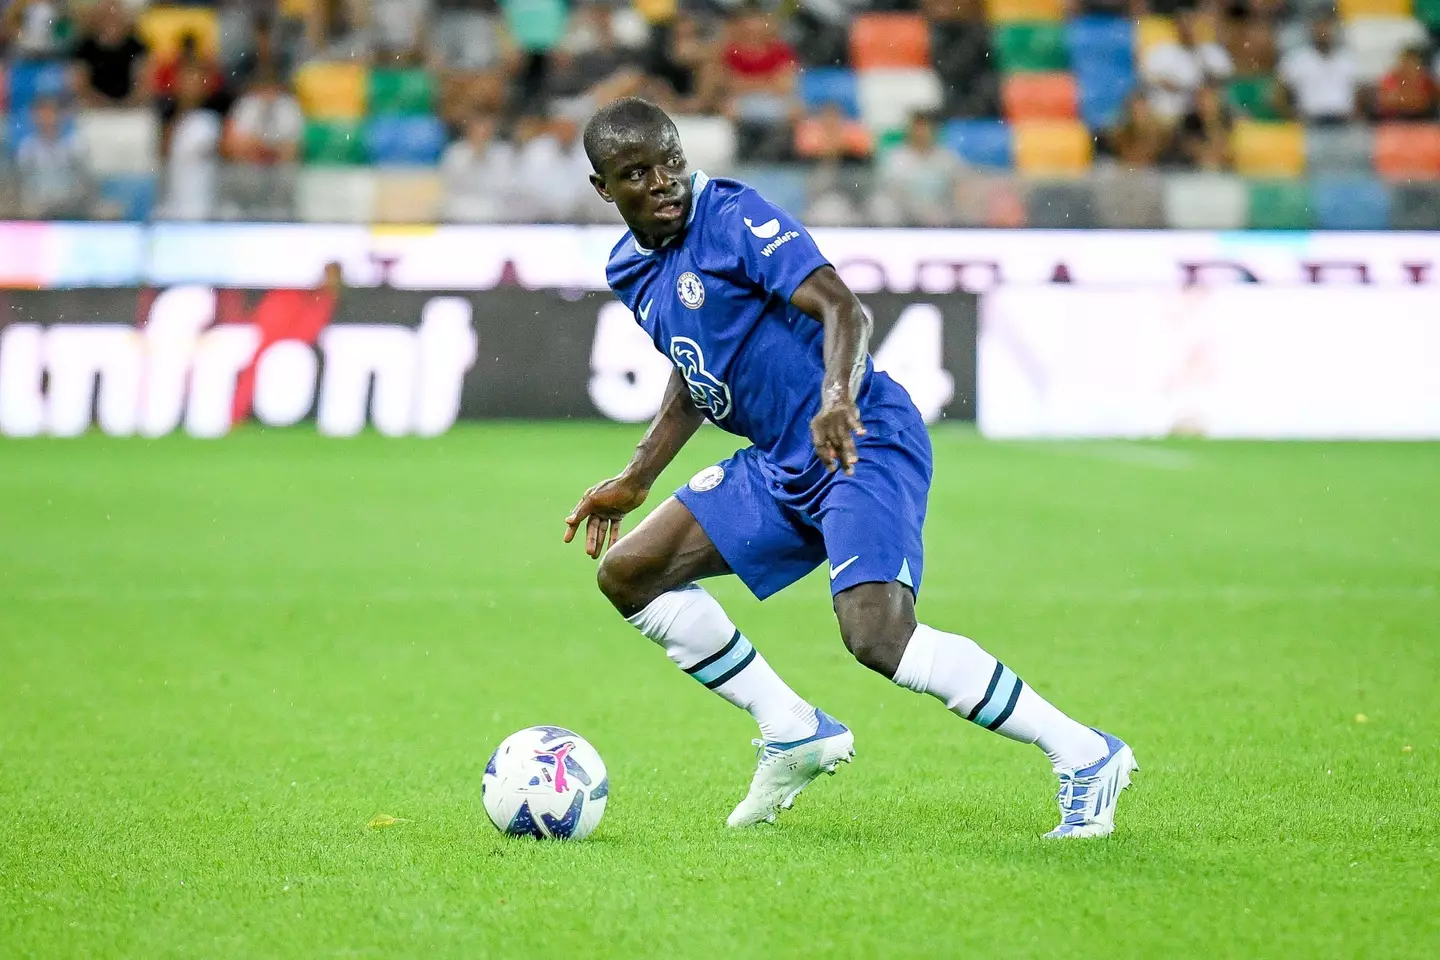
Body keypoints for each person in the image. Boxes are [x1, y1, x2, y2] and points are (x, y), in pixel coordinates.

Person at [563, 97, 1137, 837]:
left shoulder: (732, 217)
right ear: (604, 189)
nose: (665, 182)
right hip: (779, 460)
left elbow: (845, 309)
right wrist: (638, 476)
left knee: (877, 637)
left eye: (671, 161)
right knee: (629, 574)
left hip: (859, 436)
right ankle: (793, 728)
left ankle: (1087, 754)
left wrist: (836, 397)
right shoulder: (629, 267)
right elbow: (694, 368)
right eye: (637, 173)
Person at [1142, 9, 1232, 122]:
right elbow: (1147, 77)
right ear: (1176, 27)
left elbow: (1226, 78)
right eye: (1183, 24)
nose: (1188, 29)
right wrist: (1168, 83)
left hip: (1204, 115)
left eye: (1191, 23)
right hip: (1170, 115)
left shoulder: (1212, 52)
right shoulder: (1161, 52)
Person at [1277, 16, 1359, 125]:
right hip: (1309, 120)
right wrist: (1292, 116)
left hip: (1343, 121)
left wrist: (1357, 117)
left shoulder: (1348, 59)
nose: (1323, 32)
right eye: (1319, 27)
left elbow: (1360, 92)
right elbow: (1280, 91)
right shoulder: (1297, 59)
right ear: (1312, 30)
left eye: (1327, 27)